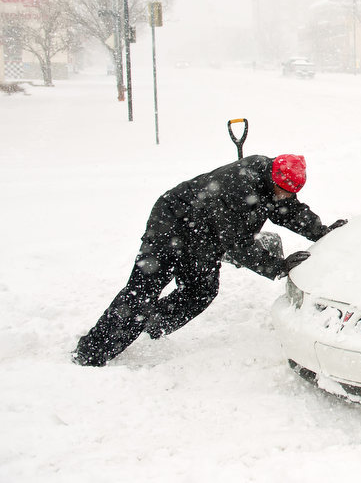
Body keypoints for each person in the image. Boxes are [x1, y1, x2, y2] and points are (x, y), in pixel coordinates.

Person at [72, 154, 346, 367]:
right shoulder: (237, 186)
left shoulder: (272, 183)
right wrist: (277, 266)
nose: (285, 195)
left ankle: (150, 326)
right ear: (273, 178)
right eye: (283, 190)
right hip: (173, 224)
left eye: (290, 191)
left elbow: (288, 210)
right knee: (143, 290)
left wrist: (321, 232)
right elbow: (237, 244)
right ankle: (91, 351)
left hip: (203, 234)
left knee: (200, 291)